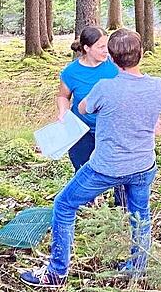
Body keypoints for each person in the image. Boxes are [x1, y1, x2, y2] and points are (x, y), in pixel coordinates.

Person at [21, 29, 161, 287]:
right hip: (144, 165)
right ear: (142, 54)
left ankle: (56, 273)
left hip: (106, 167)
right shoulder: (159, 85)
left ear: (111, 57)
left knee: (64, 205)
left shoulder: (104, 87)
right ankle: (137, 268)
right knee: (140, 215)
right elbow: (156, 113)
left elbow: (82, 107)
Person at [56, 25, 122, 205]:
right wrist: (63, 112)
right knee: (82, 168)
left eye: (107, 46)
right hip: (81, 129)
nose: (106, 51)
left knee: (117, 167)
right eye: (101, 47)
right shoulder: (71, 72)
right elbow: (63, 96)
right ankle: (88, 205)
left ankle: (121, 208)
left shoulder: (114, 66)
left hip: (110, 128)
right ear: (87, 48)